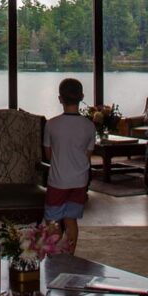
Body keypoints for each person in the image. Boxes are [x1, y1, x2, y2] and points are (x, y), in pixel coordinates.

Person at [43, 78, 96, 254]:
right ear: (81, 96)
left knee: (53, 221)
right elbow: (87, 157)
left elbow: (48, 154)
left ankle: (54, 256)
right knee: (71, 219)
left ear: (60, 99)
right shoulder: (89, 126)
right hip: (80, 180)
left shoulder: (51, 124)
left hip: (58, 180)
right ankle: (69, 257)